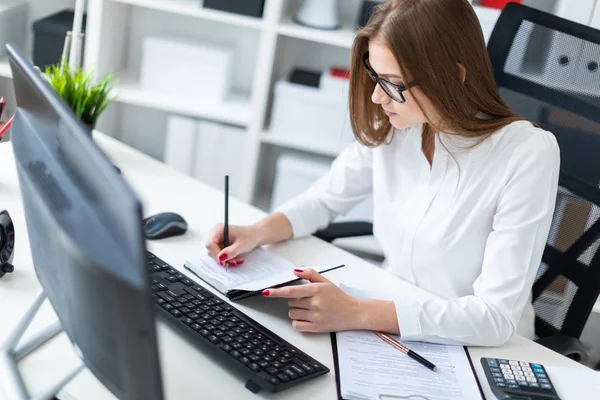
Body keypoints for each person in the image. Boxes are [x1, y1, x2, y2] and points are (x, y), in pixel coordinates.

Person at [205, 0, 560, 346]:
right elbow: (325, 198)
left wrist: (356, 312)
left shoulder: (527, 153)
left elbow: (494, 318)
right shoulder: (400, 125)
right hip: (392, 320)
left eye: (392, 83)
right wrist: (255, 233)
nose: (377, 96)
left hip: (474, 348)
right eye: (377, 77)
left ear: (454, 76)